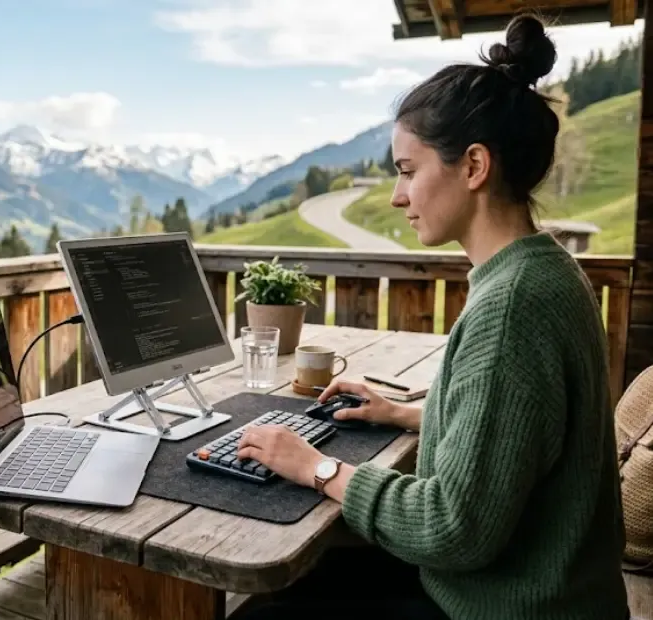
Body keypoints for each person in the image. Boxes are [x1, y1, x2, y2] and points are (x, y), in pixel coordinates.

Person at [233, 13, 630, 620]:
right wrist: (402, 413)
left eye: (408, 171)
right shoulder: (542, 269)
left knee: (265, 607)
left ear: (473, 166)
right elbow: (516, 426)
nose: (397, 196)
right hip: (532, 589)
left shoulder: (512, 307)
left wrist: (310, 464)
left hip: (507, 605)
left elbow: (451, 528)